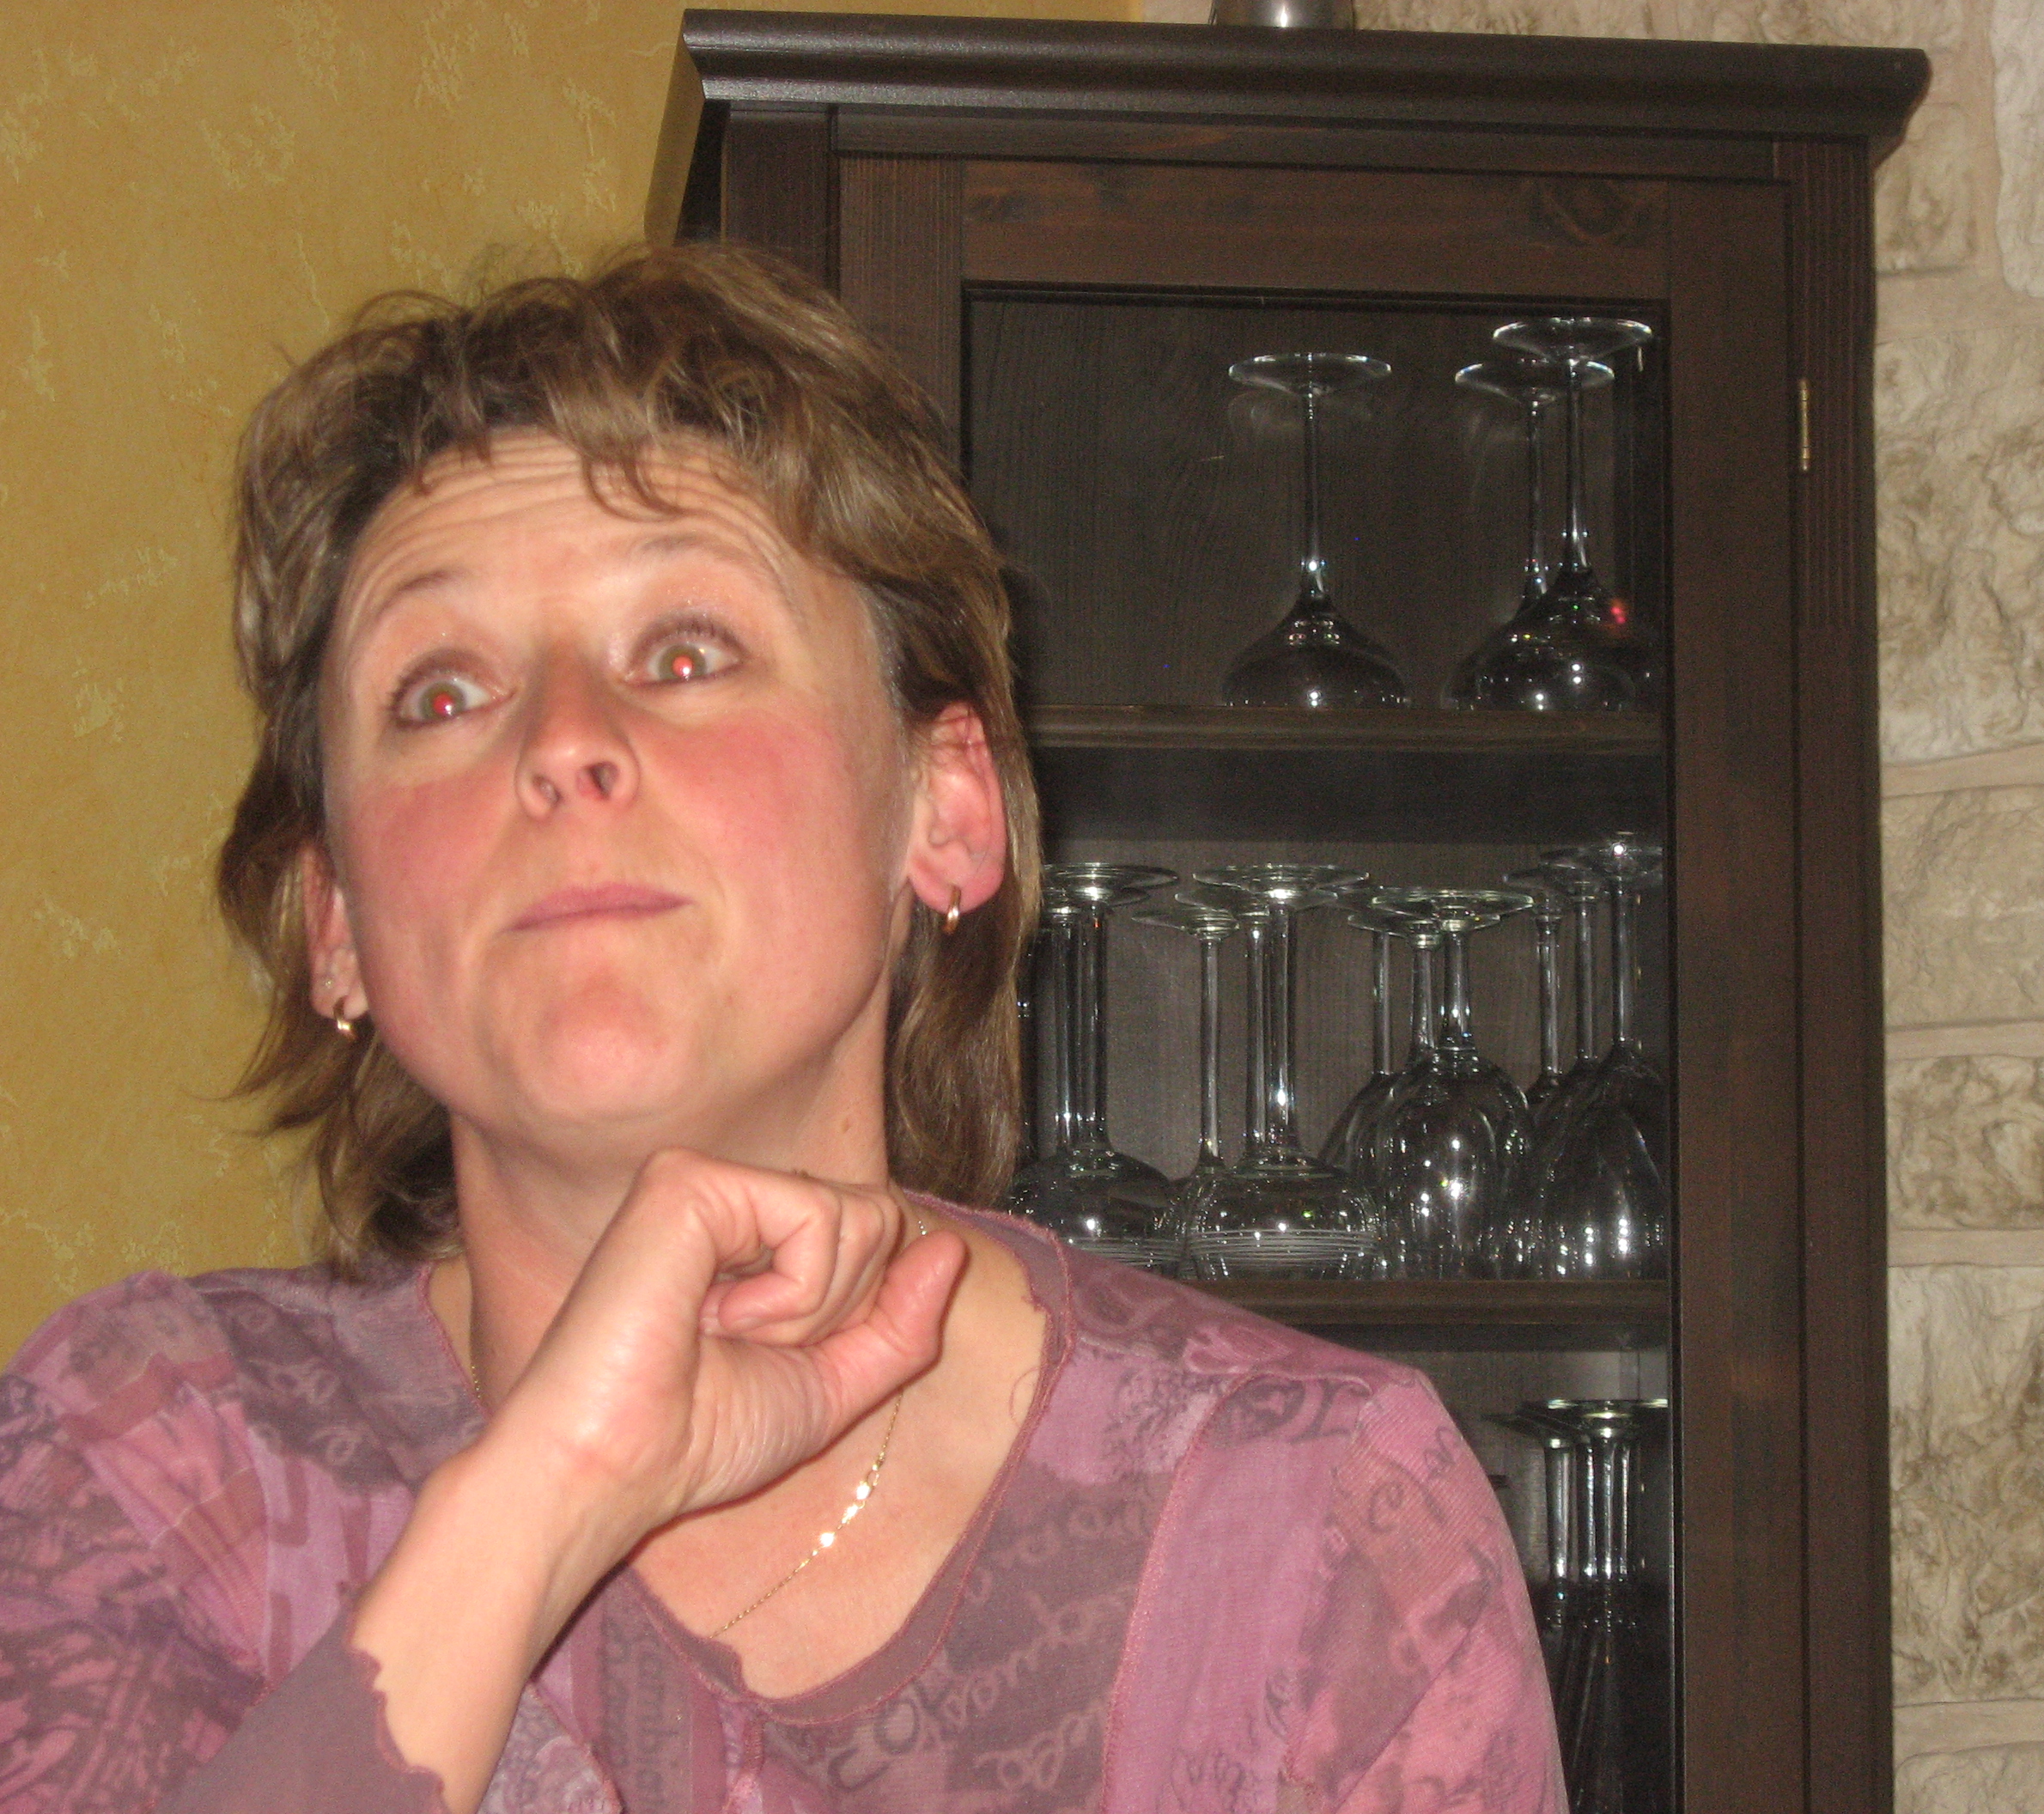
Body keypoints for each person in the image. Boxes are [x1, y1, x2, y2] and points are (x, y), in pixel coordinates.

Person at [0, 245, 1560, 1813]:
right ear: (334, 917)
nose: (562, 745)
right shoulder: (146, 1458)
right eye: (443, 693)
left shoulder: (1320, 1527)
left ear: (944, 810)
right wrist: (543, 1499)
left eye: (686, 653)